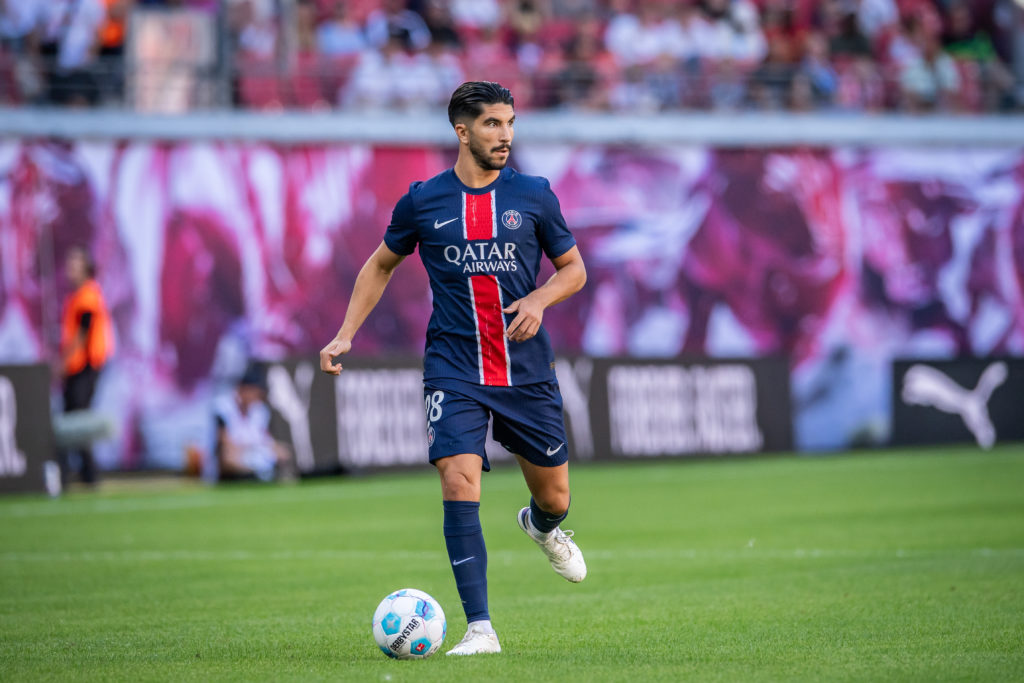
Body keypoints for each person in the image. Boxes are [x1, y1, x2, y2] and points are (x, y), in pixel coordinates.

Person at [319, 81, 588, 656]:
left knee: (557, 497)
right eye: (492, 124)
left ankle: (541, 527)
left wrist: (539, 300)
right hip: (453, 366)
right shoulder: (423, 201)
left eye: (510, 123)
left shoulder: (535, 196)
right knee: (458, 479)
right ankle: (481, 629)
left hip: (524, 372)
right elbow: (379, 265)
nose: (506, 135)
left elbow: (573, 271)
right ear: (462, 131)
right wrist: (345, 335)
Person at [58, 246, 114, 486]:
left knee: (78, 418)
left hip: (85, 365)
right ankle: (77, 472)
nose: (70, 268)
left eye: (75, 263)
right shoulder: (78, 295)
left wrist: (63, 360)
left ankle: (88, 473)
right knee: (72, 416)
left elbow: (83, 332)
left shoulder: (88, 295)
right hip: (77, 365)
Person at [212, 363, 295, 483]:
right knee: (230, 456)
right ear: (242, 390)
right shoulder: (222, 408)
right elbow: (226, 444)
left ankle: (263, 475)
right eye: (252, 392)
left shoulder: (260, 410)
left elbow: (265, 439)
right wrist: (251, 447)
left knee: (284, 451)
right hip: (237, 454)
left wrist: (269, 448)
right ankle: (257, 475)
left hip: (256, 451)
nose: (255, 397)